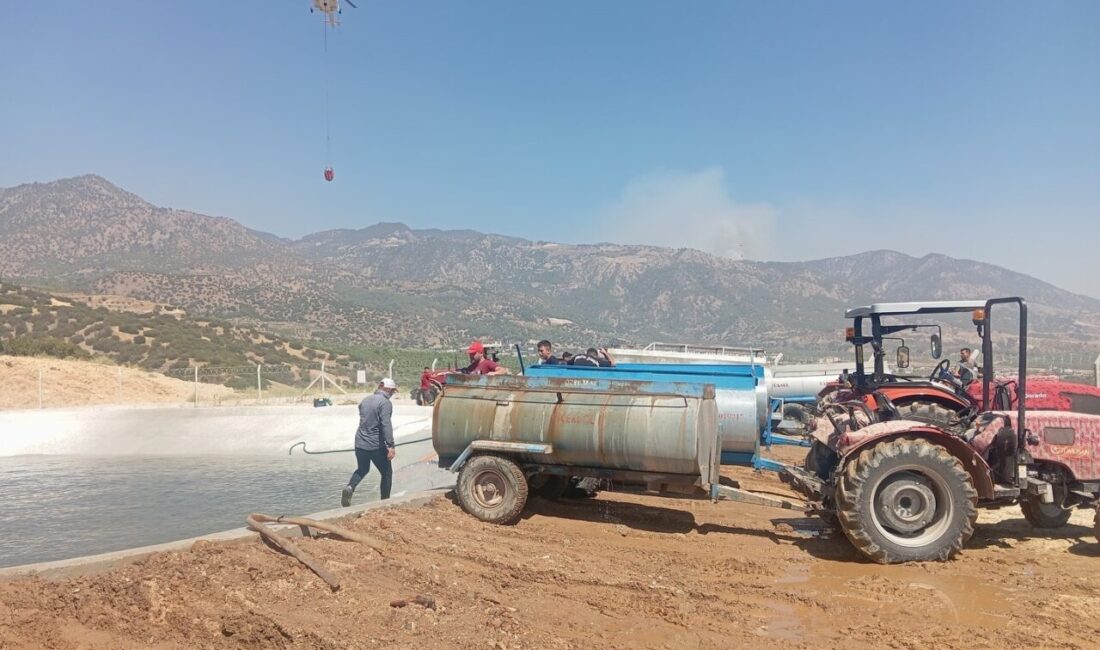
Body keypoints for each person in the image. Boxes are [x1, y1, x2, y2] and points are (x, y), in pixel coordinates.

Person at [341, 378, 398, 507]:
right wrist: (390, 445)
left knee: (362, 469)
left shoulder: (365, 400)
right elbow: (385, 424)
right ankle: (385, 502)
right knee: (387, 473)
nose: (393, 394)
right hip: (375, 445)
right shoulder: (385, 403)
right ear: (388, 389)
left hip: (360, 443)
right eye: (393, 391)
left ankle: (350, 487)